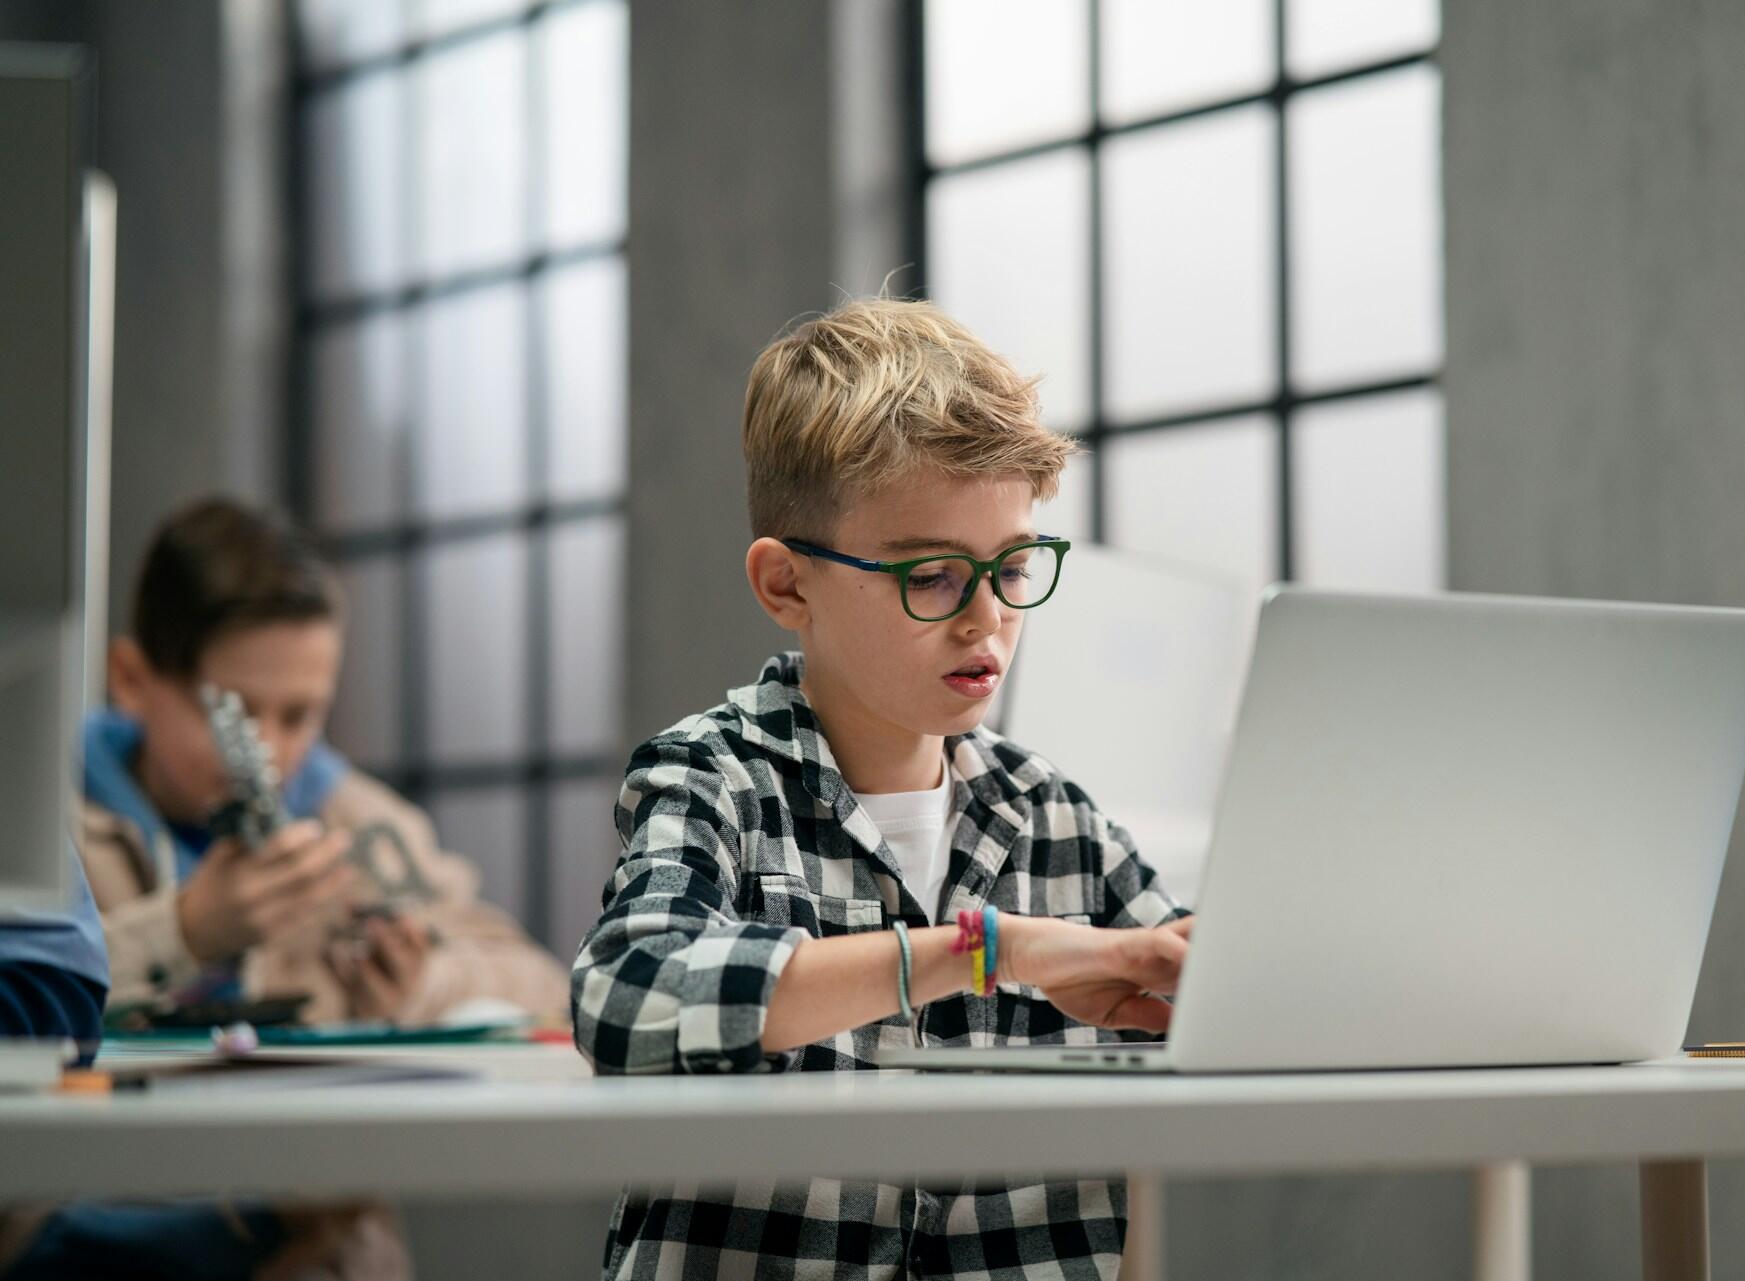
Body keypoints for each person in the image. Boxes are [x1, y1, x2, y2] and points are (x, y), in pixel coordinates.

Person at [573, 298, 1193, 1280]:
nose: (987, 620)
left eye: (1016, 567)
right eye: (936, 577)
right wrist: (987, 950)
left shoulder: (1056, 818)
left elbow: (1205, 990)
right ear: (787, 586)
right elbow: (626, 1000)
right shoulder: (714, 782)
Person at [82, 497, 568, 1027]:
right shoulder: (47, 827)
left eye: (298, 717)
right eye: (234, 712)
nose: (266, 751)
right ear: (131, 679)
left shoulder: (361, 825)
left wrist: (422, 984)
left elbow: (543, 985)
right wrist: (183, 933)